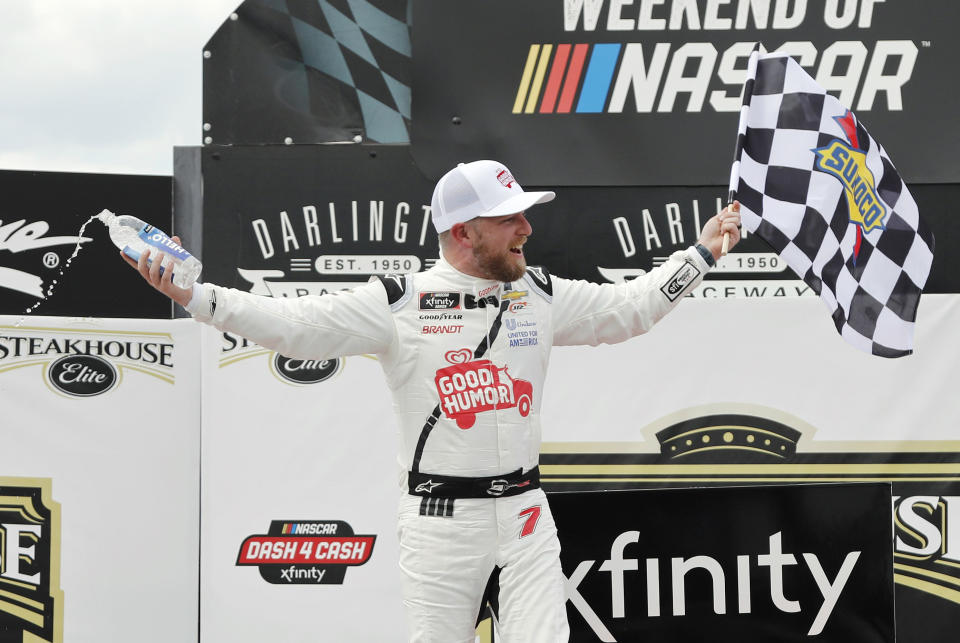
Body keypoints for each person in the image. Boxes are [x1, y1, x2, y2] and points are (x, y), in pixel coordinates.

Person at [124, 159, 742, 642]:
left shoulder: (542, 292)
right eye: (509, 218)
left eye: (524, 214)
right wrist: (197, 297)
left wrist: (704, 251)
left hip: (527, 511)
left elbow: (631, 309)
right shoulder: (400, 302)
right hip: (440, 523)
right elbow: (292, 324)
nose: (527, 227)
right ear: (463, 232)